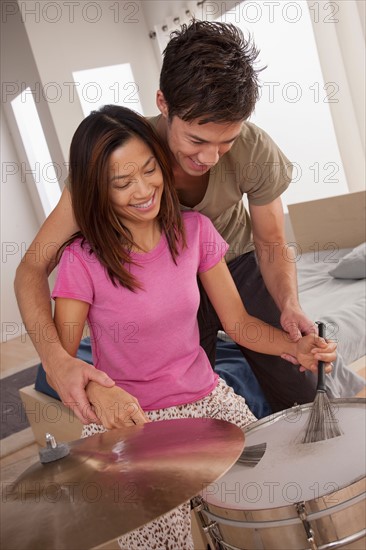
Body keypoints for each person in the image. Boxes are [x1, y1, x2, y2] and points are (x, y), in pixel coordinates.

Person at [51, 105, 336, 549]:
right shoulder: (80, 262)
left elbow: (238, 324)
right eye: (122, 182)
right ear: (96, 191)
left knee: (265, 516)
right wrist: (96, 391)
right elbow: (64, 363)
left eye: (149, 170)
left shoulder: (195, 231)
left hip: (209, 400)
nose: (143, 190)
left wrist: (294, 348)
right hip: (132, 422)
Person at [15, 20, 317, 423]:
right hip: (169, 278)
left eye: (226, 141)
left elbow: (271, 242)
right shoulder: (122, 154)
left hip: (233, 261)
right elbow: (33, 266)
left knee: (301, 383)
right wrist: (56, 362)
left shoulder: (252, 152)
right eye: (197, 140)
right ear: (163, 104)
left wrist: (289, 304)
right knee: (183, 398)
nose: (211, 157)